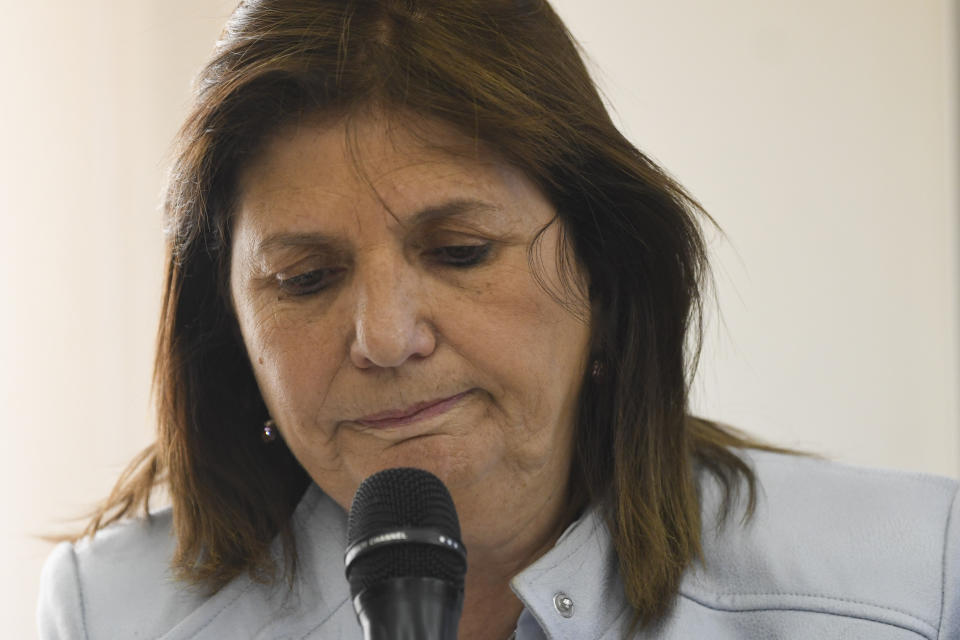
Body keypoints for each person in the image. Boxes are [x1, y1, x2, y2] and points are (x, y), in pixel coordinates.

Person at [37, 1, 959, 638]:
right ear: (230, 331)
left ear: (602, 266)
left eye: (460, 252)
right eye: (307, 277)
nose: (387, 338)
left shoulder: (909, 584)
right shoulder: (109, 615)